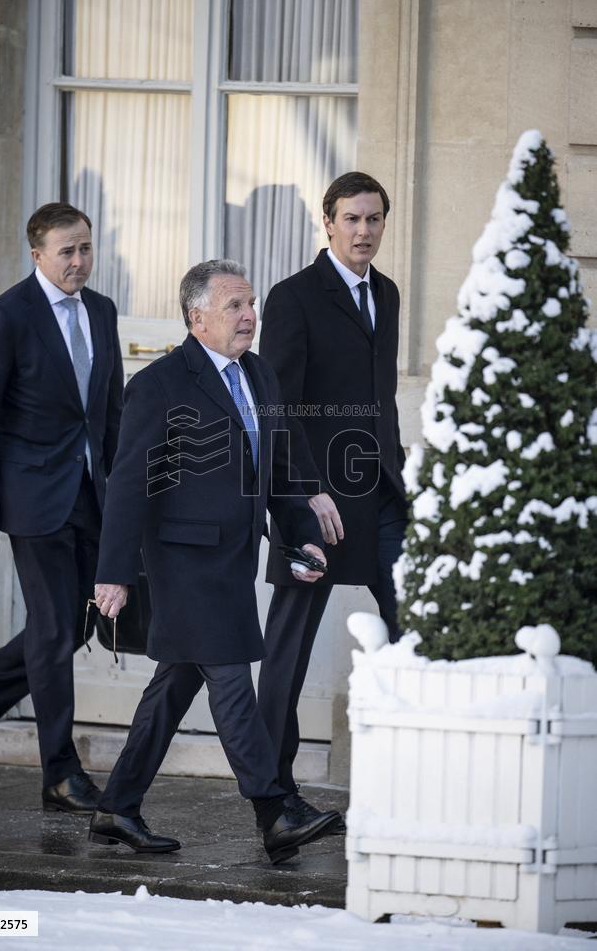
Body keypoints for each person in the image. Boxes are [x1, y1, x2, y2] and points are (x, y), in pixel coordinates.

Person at [90, 259, 340, 864]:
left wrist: (302, 535)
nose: (249, 315)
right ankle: (274, 809)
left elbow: (278, 472)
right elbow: (128, 484)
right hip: (180, 561)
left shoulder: (260, 375)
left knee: (175, 684)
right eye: (234, 305)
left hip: (232, 560)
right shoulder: (159, 384)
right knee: (230, 679)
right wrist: (113, 572)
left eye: (250, 303)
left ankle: (117, 807)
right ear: (196, 317)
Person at [0, 204, 123, 814]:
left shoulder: (102, 311)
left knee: (73, 626)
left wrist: (119, 487)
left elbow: (109, 409)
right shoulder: (5, 317)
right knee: (53, 626)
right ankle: (60, 773)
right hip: (34, 499)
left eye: (86, 248)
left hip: (93, 493)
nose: (78, 261)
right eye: (66, 250)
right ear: (36, 253)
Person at [257, 171, 408, 827]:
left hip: (379, 497)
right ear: (328, 223)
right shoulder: (293, 298)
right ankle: (273, 794)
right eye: (352, 219)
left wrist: (401, 477)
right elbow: (277, 405)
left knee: (414, 625)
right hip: (314, 500)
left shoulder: (390, 294)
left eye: (374, 219)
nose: (364, 231)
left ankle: (416, 774)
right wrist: (302, 491)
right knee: (286, 649)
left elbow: (381, 398)